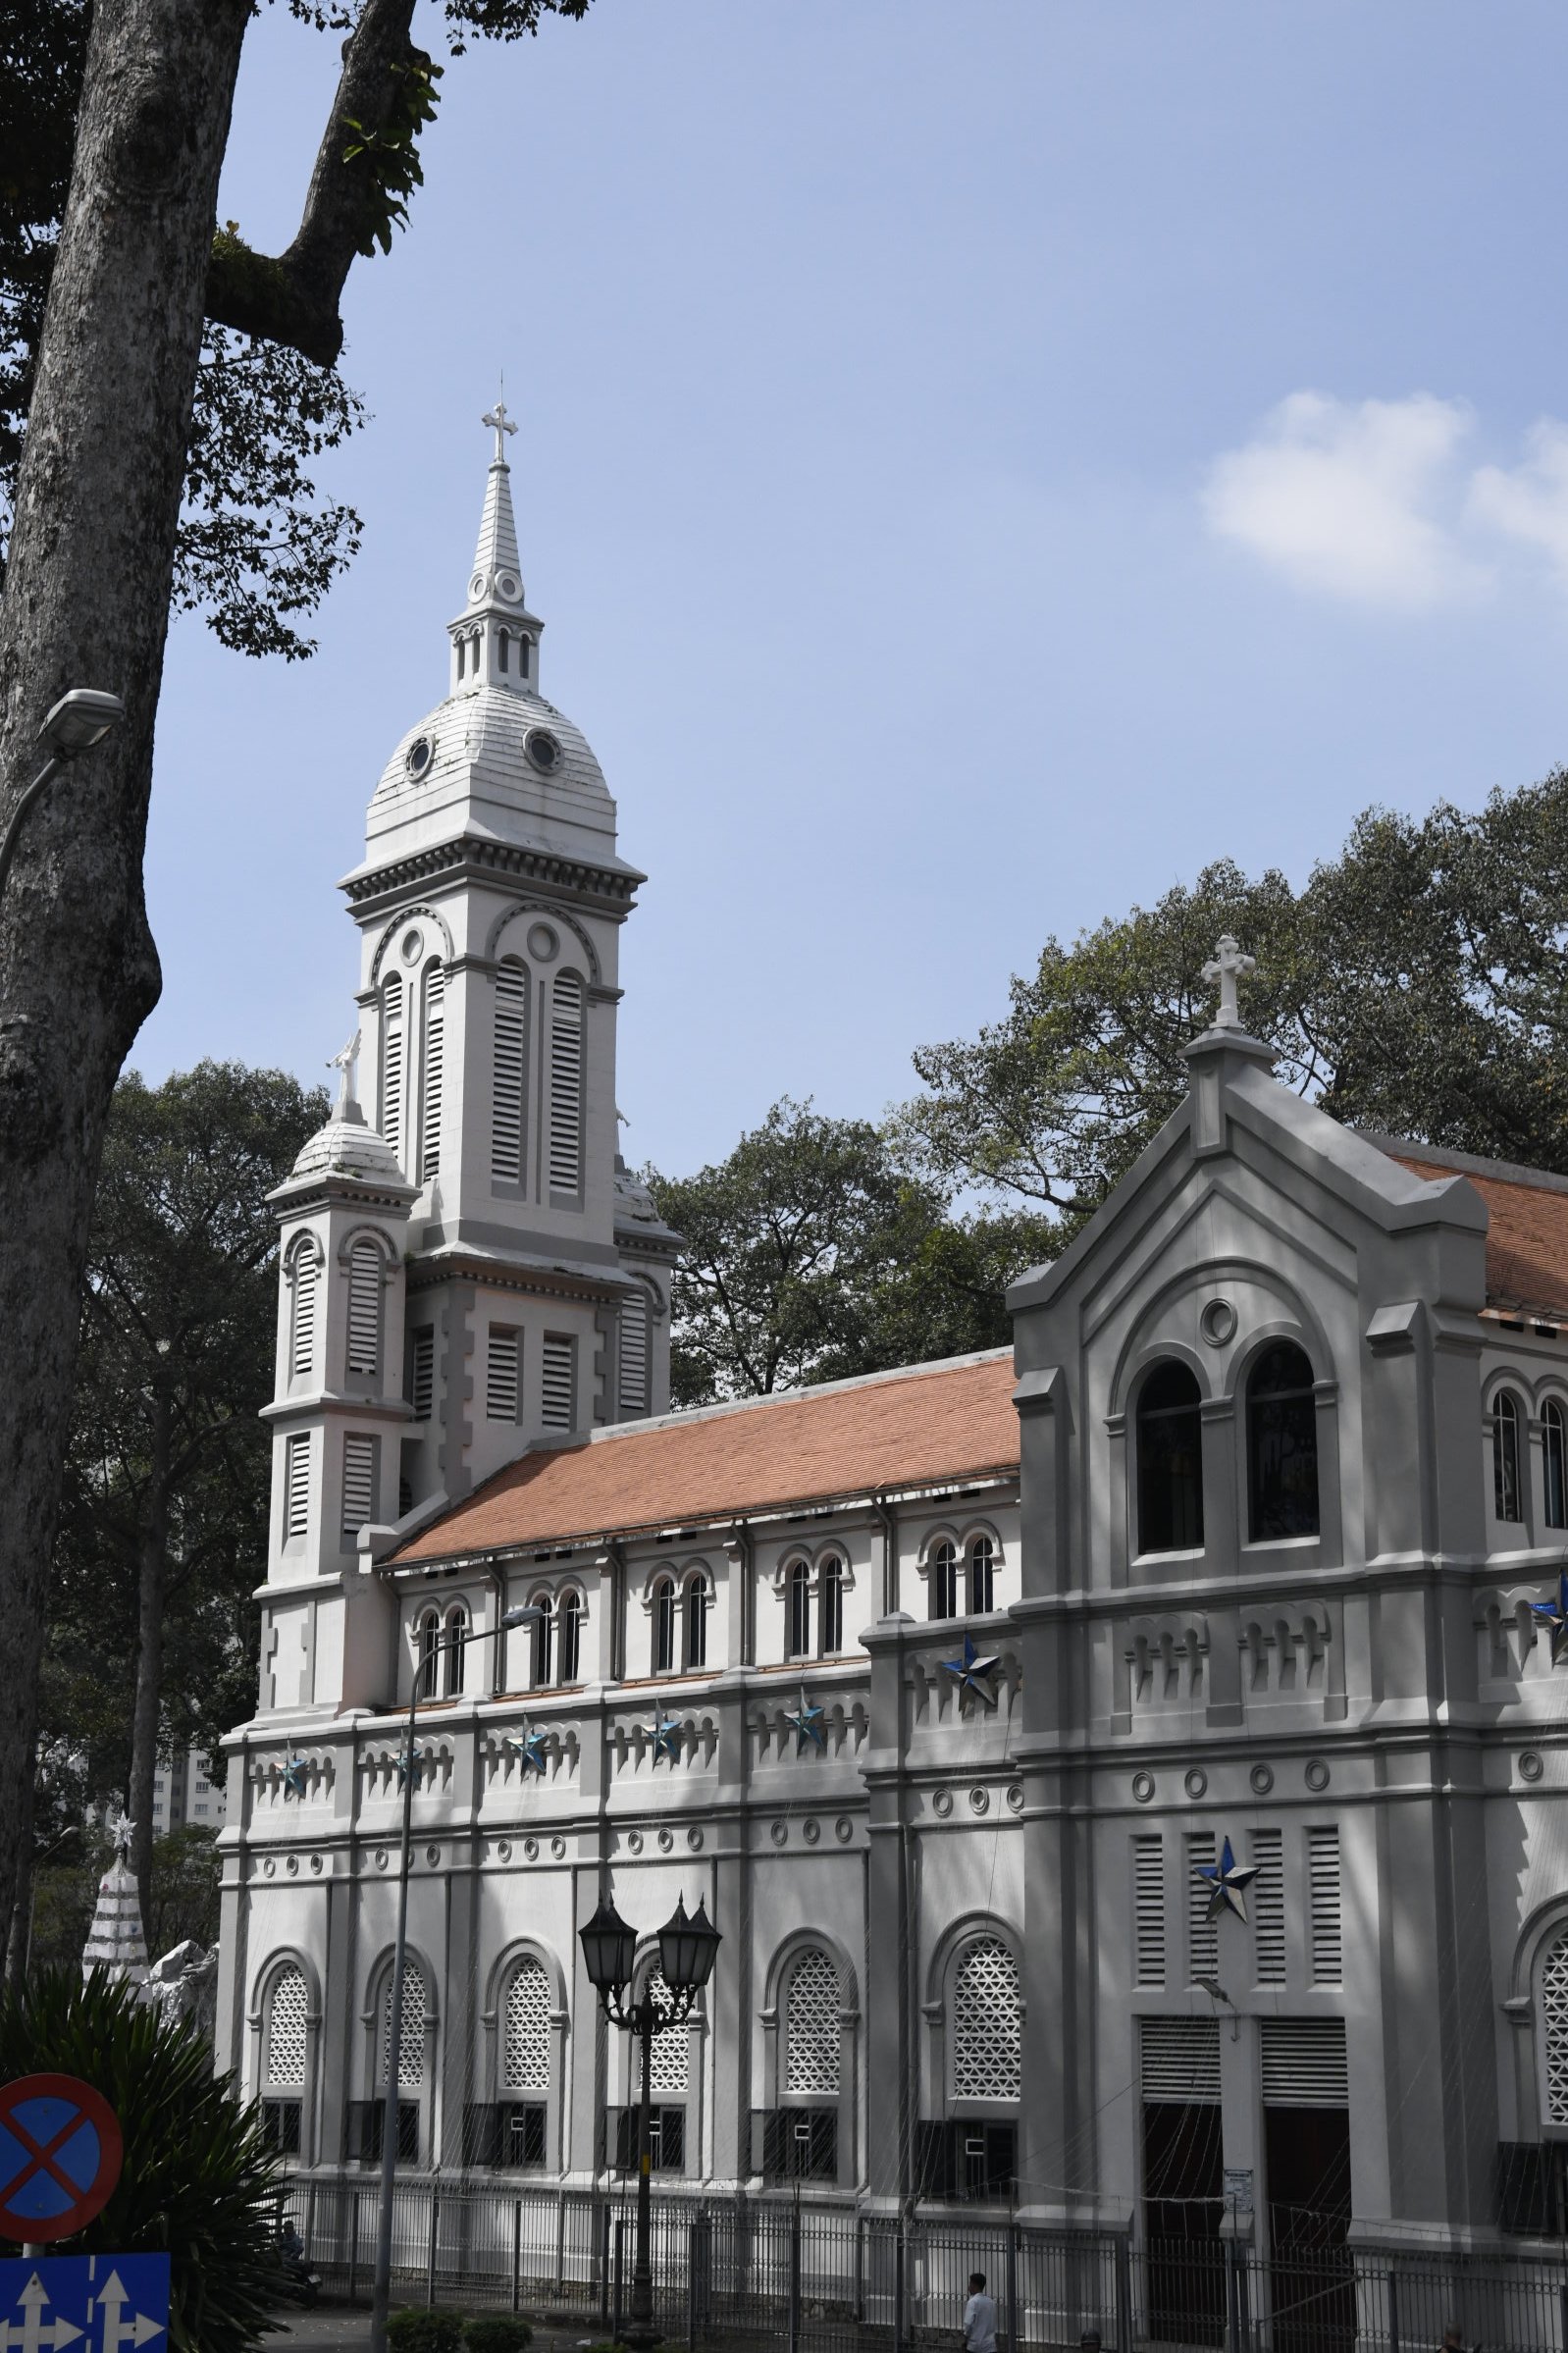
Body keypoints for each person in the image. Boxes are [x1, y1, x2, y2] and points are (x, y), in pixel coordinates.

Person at [964, 2273, 999, 2353]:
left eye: (970, 2284)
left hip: (975, 2347)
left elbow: (968, 2325)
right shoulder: (991, 2303)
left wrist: (965, 2340)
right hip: (990, 2347)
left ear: (975, 2286)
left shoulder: (972, 2302)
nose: (969, 2287)